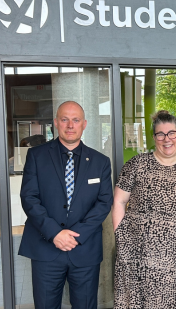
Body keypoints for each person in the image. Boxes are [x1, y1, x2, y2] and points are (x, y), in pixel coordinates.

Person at [18, 101, 113, 308]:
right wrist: (55, 233)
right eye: (64, 119)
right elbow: (29, 198)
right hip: (45, 249)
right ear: (55, 123)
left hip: (84, 250)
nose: (70, 125)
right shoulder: (36, 156)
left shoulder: (101, 161)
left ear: (84, 124)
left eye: (76, 120)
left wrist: (75, 236)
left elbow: (104, 202)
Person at [112, 110, 176, 309]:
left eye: (171, 133)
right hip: (138, 253)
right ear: (154, 137)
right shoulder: (137, 164)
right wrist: (121, 236)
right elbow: (119, 201)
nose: (167, 139)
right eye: (160, 134)